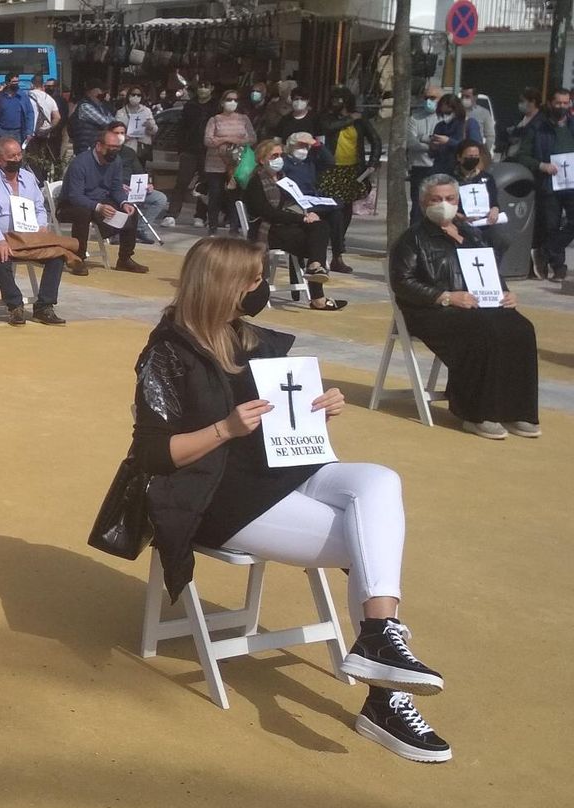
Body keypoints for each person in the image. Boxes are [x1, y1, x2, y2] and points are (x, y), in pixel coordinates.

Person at [126, 236, 452, 763]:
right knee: (363, 543)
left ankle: (377, 635)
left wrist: (318, 409)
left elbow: (278, 417)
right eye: (256, 279)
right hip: (213, 494)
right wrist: (225, 427)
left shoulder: (249, 338)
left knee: (380, 481)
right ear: (229, 284)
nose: (263, 288)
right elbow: (154, 456)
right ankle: (384, 696)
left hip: (280, 471)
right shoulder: (167, 353)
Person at [389, 175, 539, 440]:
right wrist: (445, 296)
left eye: (449, 199)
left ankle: (516, 410)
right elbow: (403, 282)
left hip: (478, 305)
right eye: (436, 199)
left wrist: (506, 293)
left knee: (521, 329)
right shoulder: (413, 238)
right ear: (424, 203)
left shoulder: (471, 233)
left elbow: (489, 268)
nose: (444, 204)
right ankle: (476, 413)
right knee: (484, 332)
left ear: (458, 201)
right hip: (432, 310)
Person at [242, 138, 346, 311]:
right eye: (274, 155)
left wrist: (308, 213)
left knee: (321, 226)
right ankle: (318, 298)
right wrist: (301, 219)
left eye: (280, 155)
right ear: (262, 159)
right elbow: (268, 213)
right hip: (268, 230)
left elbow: (295, 203)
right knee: (314, 244)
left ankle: (314, 267)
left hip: (288, 225)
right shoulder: (255, 182)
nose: (279, 159)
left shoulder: (284, 180)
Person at [0, 136, 67, 326]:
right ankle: (15, 305)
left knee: (58, 254)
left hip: (28, 235)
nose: (16, 159)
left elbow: (40, 208)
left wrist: (41, 227)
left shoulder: (29, 177)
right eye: (11, 156)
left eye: (18, 155)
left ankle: (44, 306)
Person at [59, 121, 147, 276]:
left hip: (99, 200)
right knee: (83, 213)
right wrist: (98, 207)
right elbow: (75, 196)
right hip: (71, 204)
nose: (114, 152)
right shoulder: (81, 163)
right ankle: (77, 259)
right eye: (110, 148)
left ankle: (125, 258)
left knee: (131, 212)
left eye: (117, 148)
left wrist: (124, 202)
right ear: (99, 146)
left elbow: (116, 188)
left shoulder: (116, 161)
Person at [317, 89, 382, 273]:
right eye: (334, 98)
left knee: (345, 211)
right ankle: (328, 251)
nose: (335, 102)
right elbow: (328, 128)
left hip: (352, 170)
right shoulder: (326, 117)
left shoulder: (359, 120)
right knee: (333, 210)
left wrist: (373, 162)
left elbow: (375, 140)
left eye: (340, 99)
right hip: (331, 170)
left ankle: (338, 253)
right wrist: (350, 119)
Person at [512, 87, 573, 281]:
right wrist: (541, 165)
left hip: (571, 184)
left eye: (566, 103)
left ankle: (544, 251)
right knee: (551, 226)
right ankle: (558, 267)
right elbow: (523, 156)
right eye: (558, 103)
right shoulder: (538, 128)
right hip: (549, 184)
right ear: (550, 104)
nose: (562, 107)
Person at [165, 80, 220, 227]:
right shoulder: (190, 105)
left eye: (205, 86)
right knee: (182, 182)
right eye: (201, 86)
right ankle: (172, 214)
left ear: (211, 88)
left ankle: (200, 216)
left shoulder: (216, 107)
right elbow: (181, 127)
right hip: (189, 150)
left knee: (204, 184)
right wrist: (181, 147)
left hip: (208, 151)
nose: (203, 89)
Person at [202, 89, 256, 234]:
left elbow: (252, 138)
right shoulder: (215, 120)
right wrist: (223, 140)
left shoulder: (244, 119)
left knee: (235, 197)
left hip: (237, 165)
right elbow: (207, 140)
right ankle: (212, 227)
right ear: (222, 102)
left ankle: (234, 227)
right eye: (229, 99)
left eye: (235, 100)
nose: (232, 103)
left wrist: (232, 140)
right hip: (215, 164)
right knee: (215, 195)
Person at [451, 139, 509, 263]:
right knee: (473, 238)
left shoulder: (487, 178)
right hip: (461, 221)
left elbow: (494, 202)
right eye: (470, 156)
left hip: (484, 221)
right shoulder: (451, 179)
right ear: (460, 158)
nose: (473, 159)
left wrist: (495, 210)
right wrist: (459, 216)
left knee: (501, 239)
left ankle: (493, 270)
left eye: (476, 157)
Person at [407, 86, 444, 223]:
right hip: (419, 167)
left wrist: (422, 138)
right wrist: (430, 145)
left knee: (438, 206)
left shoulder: (446, 118)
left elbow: (445, 143)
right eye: (426, 97)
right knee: (418, 206)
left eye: (433, 98)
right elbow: (411, 142)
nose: (429, 101)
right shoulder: (415, 117)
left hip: (439, 167)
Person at [431, 93, 482, 178]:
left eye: (448, 112)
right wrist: (433, 147)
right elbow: (433, 154)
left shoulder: (468, 123)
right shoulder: (440, 126)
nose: (445, 116)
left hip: (461, 170)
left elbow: (474, 145)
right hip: (440, 169)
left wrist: (448, 141)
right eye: (442, 113)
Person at [69, 83, 114, 156]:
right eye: (100, 91)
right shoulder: (85, 106)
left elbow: (113, 120)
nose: (102, 93)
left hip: (95, 146)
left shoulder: (100, 106)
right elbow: (106, 122)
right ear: (91, 92)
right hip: (86, 147)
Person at [115, 86, 158, 159]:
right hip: (127, 147)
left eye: (138, 95)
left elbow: (155, 130)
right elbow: (116, 132)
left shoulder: (146, 111)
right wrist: (125, 137)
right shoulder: (120, 112)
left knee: (140, 169)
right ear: (129, 95)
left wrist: (150, 126)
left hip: (142, 146)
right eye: (133, 94)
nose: (136, 97)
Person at [0, 74, 34, 142]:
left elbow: (30, 113)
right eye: (13, 82)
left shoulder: (22, 96)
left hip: (19, 133)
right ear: (7, 83)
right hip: (2, 132)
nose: (16, 84)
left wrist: (29, 132)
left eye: (17, 82)